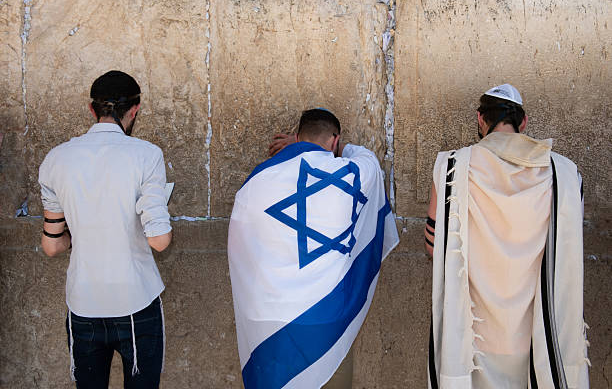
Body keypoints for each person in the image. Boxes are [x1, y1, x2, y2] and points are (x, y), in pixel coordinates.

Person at [425, 84, 590, 389]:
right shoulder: (563, 173)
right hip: (538, 341)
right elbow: (567, 249)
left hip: (474, 343)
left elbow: (434, 246)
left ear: (480, 118)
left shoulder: (451, 167)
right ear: (523, 122)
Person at [228, 108, 399, 388]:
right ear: (334, 141)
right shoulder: (351, 174)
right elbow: (367, 157)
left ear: (297, 136)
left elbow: (240, 244)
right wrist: (338, 147)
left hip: (271, 321)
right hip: (325, 320)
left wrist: (297, 147)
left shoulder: (259, 180)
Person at [38, 70, 172, 388]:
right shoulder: (147, 155)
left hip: (83, 302)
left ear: (91, 108)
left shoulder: (55, 159)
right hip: (136, 301)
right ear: (135, 110)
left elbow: (52, 245)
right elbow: (160, 241)